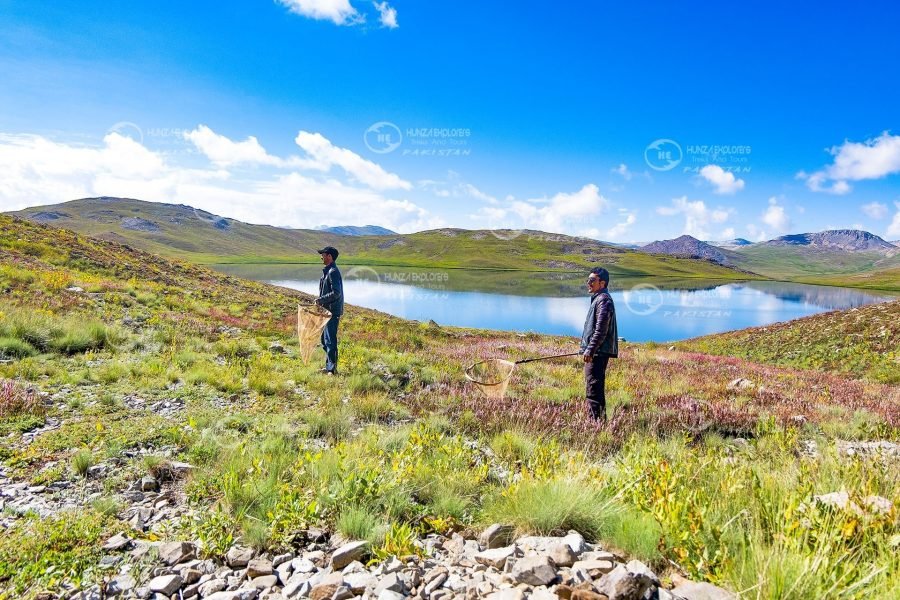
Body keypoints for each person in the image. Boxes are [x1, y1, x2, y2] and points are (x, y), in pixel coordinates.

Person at [580, 267, 618, 420]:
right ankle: (599, 421)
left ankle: (595, 424)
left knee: (593, 389)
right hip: (597, 351)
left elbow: (601, 329)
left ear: (602, 283)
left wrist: (590, 349)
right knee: (594, 387)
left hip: (598, 353)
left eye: (592, 281)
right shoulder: (599, 298)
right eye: (588, 280)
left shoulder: (604, 300)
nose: (588, 283)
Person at [315, 246, 343, 375]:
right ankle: (329, 367)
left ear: (329, 256)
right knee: (323, 340)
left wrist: (321, 300)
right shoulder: (328, 271)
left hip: (332, 312)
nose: (321, 256)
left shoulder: (333, 272)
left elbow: (336, 293)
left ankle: (332, 369)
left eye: (323, 254)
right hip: (326, 311)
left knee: (330, 341)